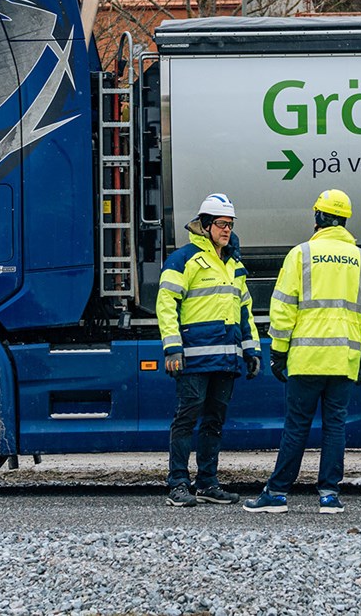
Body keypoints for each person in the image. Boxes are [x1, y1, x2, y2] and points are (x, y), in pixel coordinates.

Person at [243, 188, 361, 515]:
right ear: (345, 220)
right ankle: (329, 495)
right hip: (343, 360)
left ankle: (278, 493)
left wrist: (278, 352)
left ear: (318, 218)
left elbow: (283, 309)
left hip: (306, 359)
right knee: (335, 426)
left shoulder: (301, 255)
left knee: (296, 426)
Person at [156, 193, 261, 507]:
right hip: (194, 357)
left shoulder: (232, 264)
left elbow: (245, 309)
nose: (226, 230)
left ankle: (207, 483)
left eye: (230, 225)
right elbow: (166, 304)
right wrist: (172, 348)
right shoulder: (183, 259)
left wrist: (251, 349)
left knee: (214, 421)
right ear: (204, 225)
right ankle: (178, 484)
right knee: (186, 419)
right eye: (220, 224)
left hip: (225, 358)